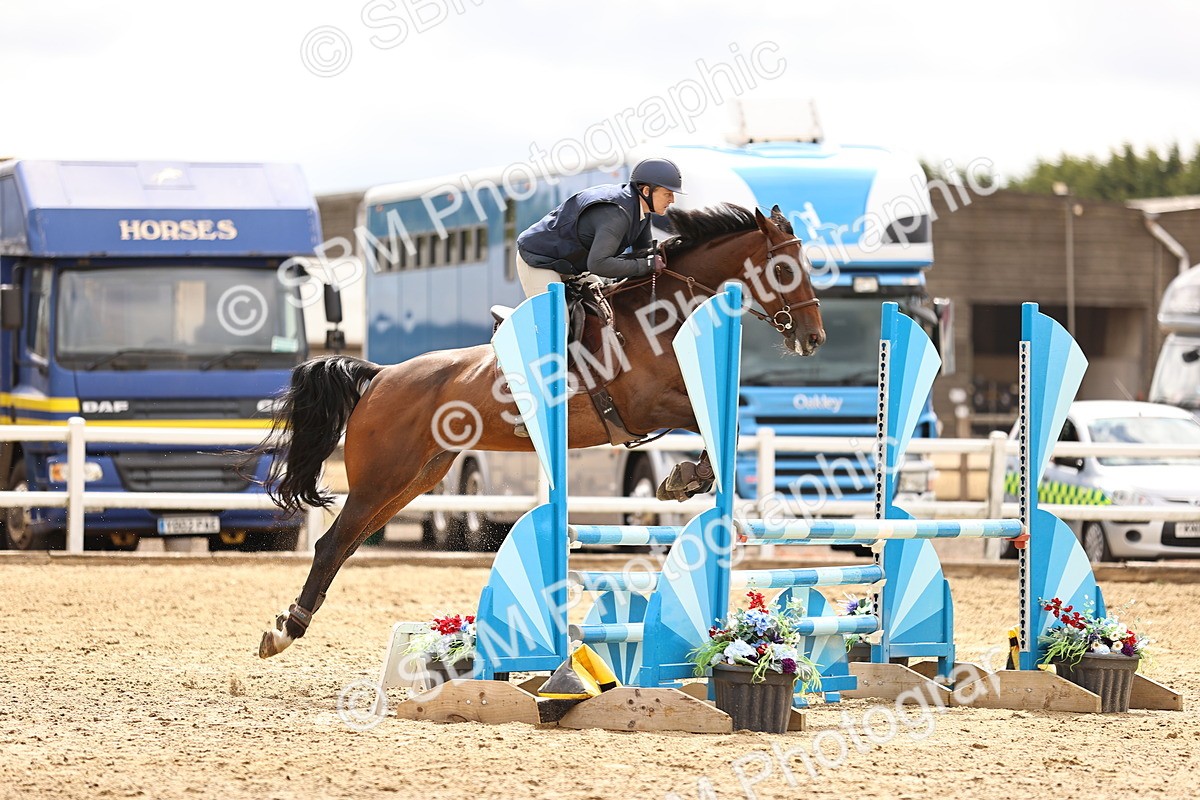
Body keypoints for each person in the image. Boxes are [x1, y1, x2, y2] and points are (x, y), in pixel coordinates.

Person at [514, 157, 684, 297]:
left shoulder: (642, 213)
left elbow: (643, 253)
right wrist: (646, 265)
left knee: (604, 306)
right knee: (558, 321)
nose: (672, 200)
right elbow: (598, 264)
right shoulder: (617, 214)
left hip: (571, 265)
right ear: (646, 191)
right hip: (539, 260)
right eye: (667, 194)